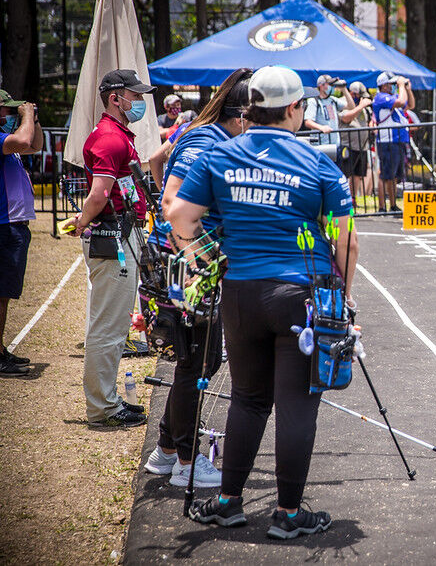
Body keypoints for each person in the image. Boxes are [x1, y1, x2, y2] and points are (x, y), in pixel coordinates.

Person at [166, 65, 358, 538]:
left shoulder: (220, 155)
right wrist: (345, 300)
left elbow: (180, 218)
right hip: (300, 295)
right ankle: (289, 515)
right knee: (297, 403)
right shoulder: (318, 164)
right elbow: (346, 242)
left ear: (251, 106)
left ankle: (229, 502)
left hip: (241, 292)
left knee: (249, 399)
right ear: (295, 108)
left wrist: (205, 258)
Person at [142, 68, 252, 489]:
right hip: (185, 268)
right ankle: (188, 462)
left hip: (187, 263)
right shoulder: (206, 140)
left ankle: (167, 451)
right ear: (241, 115)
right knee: (199, 362)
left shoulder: (209, 136)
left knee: (194, 359)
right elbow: (172, 202)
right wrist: (206, 259)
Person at [69, 69, 153, 427]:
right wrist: (84, 220)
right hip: (114, 235)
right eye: (135, 96)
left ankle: (108, 399)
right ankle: (103, 407)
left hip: (121, 233)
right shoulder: (109, 138)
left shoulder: (117, 134)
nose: (140, 102)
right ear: (115, 98)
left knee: (114, 325)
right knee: (108, 326)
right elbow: (101, 192)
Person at [0, 90, 43, 377]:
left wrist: (34, 119)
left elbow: (34, 145)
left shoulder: (8, 142)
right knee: (0, 294)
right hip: (4, 226)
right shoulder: (3, 139)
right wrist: (26, 117)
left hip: (14, 226)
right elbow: (24, 140)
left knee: (4, 294)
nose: (11, 116)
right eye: (8, 111)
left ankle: (0, 349)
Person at [372, 71, 415, 213]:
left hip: (398, 140)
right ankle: (382, 207)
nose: (393, 87)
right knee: (385, 175)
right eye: (391, 84)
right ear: (383, 86)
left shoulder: (392, 97)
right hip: (387, 141)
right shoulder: (380, 98)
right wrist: (401, 85)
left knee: (394, 175)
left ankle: (393, 205)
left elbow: (410, 105)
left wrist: (407, 88)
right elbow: (401, 102)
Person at [337, 81, 373, 200]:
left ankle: (353, 200)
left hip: (362, 146)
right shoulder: (343, 102)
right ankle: (343, 200)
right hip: (348, 146)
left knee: (358, 175)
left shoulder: (362, 108)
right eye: (359, 95)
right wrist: (361, 106)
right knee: (346, 174)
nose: (362, 98)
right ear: (352, 93)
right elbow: (346, 118)